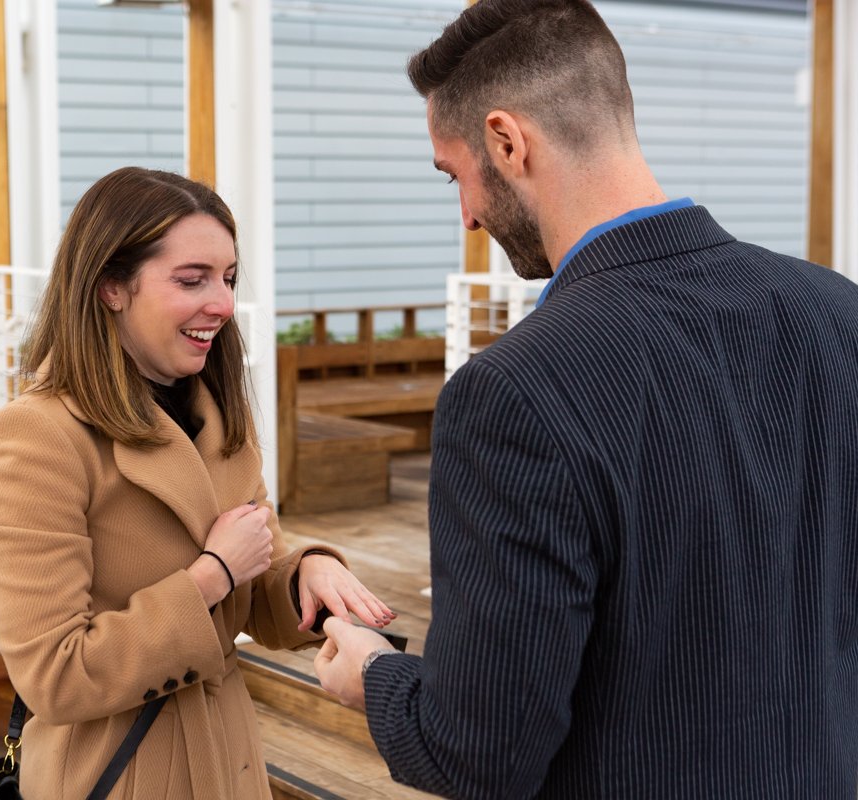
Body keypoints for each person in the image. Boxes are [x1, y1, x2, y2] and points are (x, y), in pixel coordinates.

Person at [314, 1, 858, 798]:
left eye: (454, 174)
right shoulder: (838, 314)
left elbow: (482, 752)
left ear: (507, 141)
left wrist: (379, 678)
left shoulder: (513, 395)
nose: (464, 213)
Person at [0, 166, 393, 800]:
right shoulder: (36, 437)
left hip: (230, 765)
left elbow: (255, 598)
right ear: (112, 285)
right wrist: (211, 576)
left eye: (226, 277)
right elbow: (54, 676)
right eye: (191, 280)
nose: (222, 303)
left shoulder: (218, 416)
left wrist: (306, 572)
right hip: (113, 776)